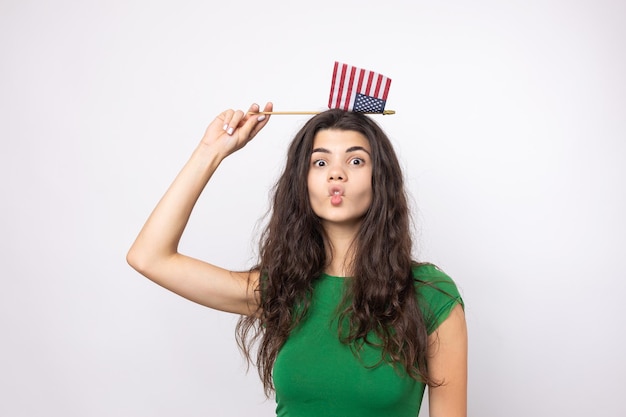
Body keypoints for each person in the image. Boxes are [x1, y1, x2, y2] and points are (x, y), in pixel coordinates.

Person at [127, 102, 467, 417]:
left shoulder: (430, 295)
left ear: (381, 178)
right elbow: (149, 257)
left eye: (355, 160)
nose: (336, 174)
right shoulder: (282, 289)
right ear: (301, 183)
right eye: (320, 162)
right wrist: (210, 153)